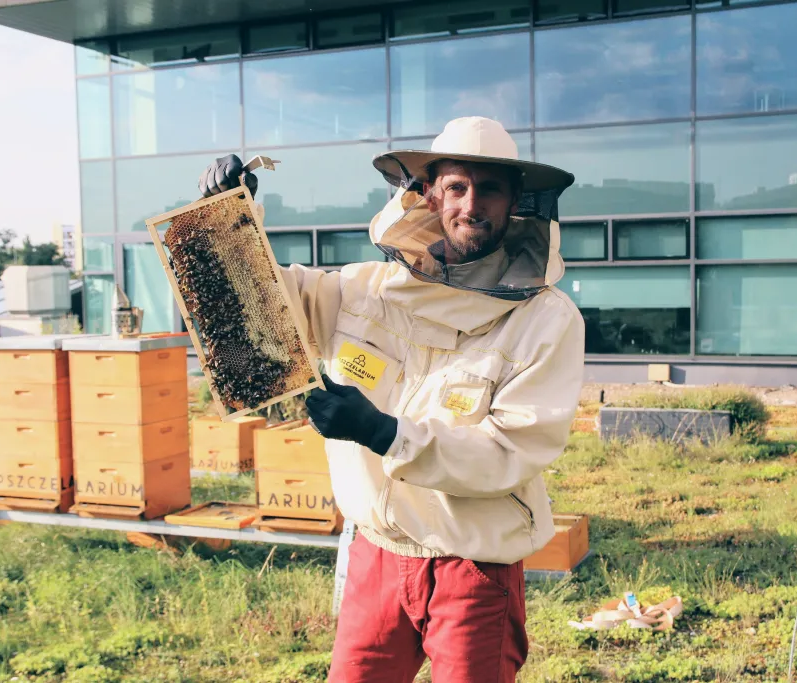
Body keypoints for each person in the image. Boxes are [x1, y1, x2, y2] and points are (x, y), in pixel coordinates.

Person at [198, 116, 585, 682]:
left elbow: (509, 450)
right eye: (456, 186)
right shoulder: (365, 290)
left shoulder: (546, 321)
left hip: (474, 566)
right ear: (428, 194)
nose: (471, 204)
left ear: (518, 201)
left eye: (490, 187)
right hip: (376, 554)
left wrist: (382, 432)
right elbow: (265, 309)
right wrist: (225, 225)